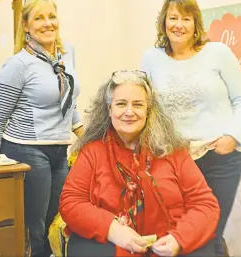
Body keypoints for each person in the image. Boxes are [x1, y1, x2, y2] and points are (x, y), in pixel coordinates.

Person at [59, 70, 220, 257]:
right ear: (109, 109)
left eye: (138, 105)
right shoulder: (92, 152)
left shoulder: (174, 151)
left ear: (148, 111)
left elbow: (205, 205)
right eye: (121, 104)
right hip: (114, 245)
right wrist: (113, 230)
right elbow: (71, 203)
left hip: (168, 243)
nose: (129, 112)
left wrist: (179, 239)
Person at [141, 0, 241, 256]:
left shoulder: (218, 53)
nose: (178, 24)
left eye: (186, 18)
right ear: (163, 23)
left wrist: (232, 137)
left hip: (219, 158)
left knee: (211, 236)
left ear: (196, 24)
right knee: (178, 235)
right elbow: (144, 104)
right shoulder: (151, 58)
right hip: (172, 160)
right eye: (173, 18)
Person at [0, 0, 84, 257]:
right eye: (39, 18)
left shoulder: (67, 54)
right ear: (26, 25)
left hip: (59, 150)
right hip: (26, 150)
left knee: (56, 221)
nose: (47, 23)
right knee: (35, 229)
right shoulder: (18, 64)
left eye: (51, 16)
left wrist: (86, 136)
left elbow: (69, 101)